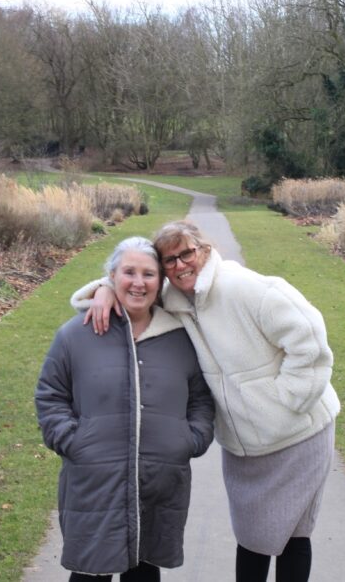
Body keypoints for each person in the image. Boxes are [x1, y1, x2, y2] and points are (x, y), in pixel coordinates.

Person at [72, 221, 340, 582]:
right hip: (245, 445)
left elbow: (309, 336)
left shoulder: (242, 286)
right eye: (170, 260)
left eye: (187, 253)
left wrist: (286, 400)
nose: (181, 265)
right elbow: (136, 286)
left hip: (298, 434)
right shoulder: (178, 298)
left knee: (293, 533)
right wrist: (107, 289)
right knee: (252, 536)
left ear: (205, 250)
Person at [36, 236, 215, 582]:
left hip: (159, 482)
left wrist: (190, 439)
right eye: (128, 272)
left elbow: (201, 398)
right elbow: (51, 394)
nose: (138, 282)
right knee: (91, 570)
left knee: (145, 569)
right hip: (95, 480)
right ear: (111, 277)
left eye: (148, 274)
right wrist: (73, 441)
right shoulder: (77, 334)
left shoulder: (180, 338)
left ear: (160, 282)